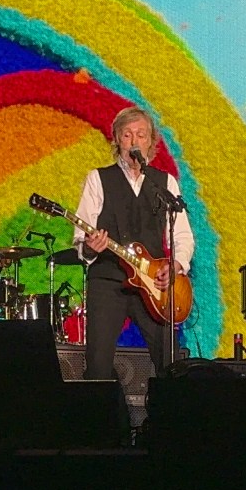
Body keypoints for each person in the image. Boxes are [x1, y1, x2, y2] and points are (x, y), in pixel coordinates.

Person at [73, 106, 195, 379]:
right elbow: (81, 237)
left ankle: (168, 406)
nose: (134, 141)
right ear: (117, 140)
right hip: (108, 280)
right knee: (98, 364)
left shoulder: (165, 183)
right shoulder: (98, 178)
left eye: (141, 135)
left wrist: (175, 265)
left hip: (153, 283)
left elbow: (182, 236)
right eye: (127, 135)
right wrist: (91, 247)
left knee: (169, 363)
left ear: (151, 142)